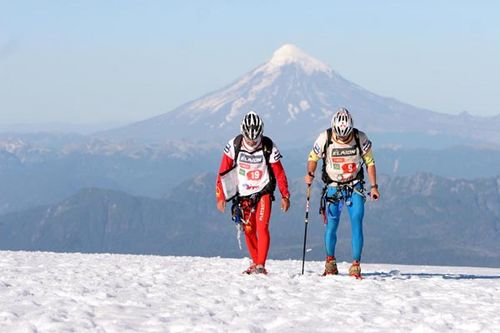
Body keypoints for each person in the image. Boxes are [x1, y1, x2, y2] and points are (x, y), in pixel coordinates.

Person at [304, 107, 380, 278]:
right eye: (340, 136)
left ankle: (356, 265)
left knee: (357, 222)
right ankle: (330, 262)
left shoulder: (360, 138)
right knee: (331, 225)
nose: (343, 138)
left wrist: (374, 186)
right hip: (333, 187)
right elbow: (313, 158)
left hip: (355, 186)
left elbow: (370, 162)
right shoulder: (325, 137)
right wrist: (310, 174)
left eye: (346, 136)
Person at [216, 111, 291, 275]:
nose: (252, 142)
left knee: (262, 227)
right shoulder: (233, 145)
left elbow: (279, 172)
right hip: (243, 194)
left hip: (263, 191)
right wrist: (221, 196)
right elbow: (223, 171)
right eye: (249, 139)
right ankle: (256, 261)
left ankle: (260, 265)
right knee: (249, 230)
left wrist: (285, 195)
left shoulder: (268, 146)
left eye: (255, 139)